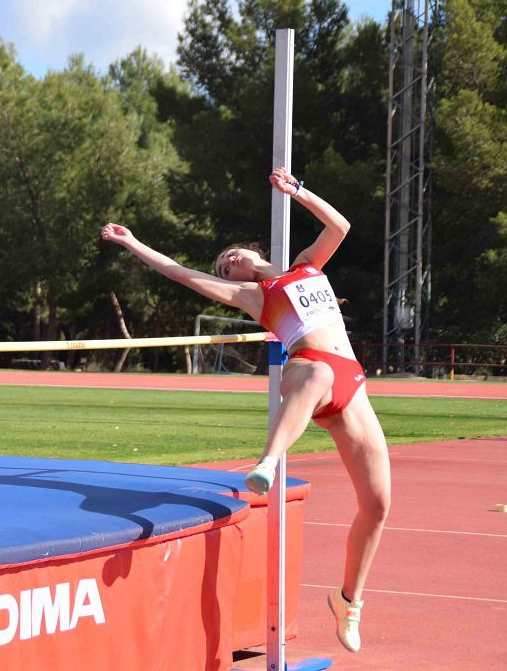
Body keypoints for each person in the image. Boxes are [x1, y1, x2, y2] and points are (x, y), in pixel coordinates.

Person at [101, 167, 390, 653]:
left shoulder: (307, 266)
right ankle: (269, 461)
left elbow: (338, 226)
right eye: (222, 267)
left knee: (378, 504)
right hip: (308, 368)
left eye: (230, 254)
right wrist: (134, 243)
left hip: (353, 381)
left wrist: (297, 191)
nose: (226, 263)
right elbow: (180, 273)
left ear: (255, 249)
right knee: (316, 374)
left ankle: (349, 600)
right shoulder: (254, 297)